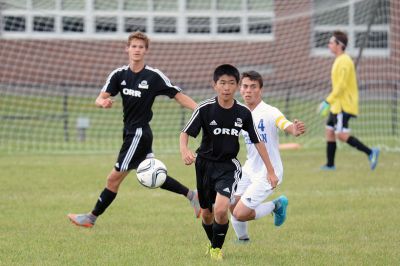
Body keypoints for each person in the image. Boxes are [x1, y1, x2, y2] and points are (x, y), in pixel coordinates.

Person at [67, 31, 200, 228]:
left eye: (140, 47)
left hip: (139, 133)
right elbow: (99, 97)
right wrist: (102, 102)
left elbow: (178, 95)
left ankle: (91, 218)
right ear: (127, 49)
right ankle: (192, 196)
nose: (137, 50)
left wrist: (201, 110)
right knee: (151, 173)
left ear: (146, 51)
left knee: (113, 179)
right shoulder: (119, 74)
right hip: (131, 133)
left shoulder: (154, 76)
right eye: (134, 46)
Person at [179, 64, 278, 261]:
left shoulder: (243, 113)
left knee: (222, 208)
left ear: (236, 86)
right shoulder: (204, 109)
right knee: (207, 214)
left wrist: (271, 170)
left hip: (228, 166)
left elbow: (258, 141)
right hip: (204, 165)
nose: (226, 87)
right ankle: (213, 243)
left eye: (231, 83)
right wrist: (184, 150)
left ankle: (217, 250)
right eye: (222, 83)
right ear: (215, 85)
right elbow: (185, 133)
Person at [230, 71, 306, 243]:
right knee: (231, 204)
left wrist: (293, 129)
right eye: (245, 86)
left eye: (253, 87)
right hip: (249, 168)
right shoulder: (239, 113)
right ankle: (243, 240)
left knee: (240, 213)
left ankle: (276, 205)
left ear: (260, 90)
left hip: (269, 171)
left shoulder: (270, 111)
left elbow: (284, 124)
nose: (248, 91)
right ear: (240, 89)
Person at [318, 30, 380, 171]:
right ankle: (330, 165)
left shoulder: (345, 61)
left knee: (341, 135)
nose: (329, 45)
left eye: (331, 42)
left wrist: (327, 101)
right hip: (336, 105)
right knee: (329, 131)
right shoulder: (339, 60)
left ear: (339, 45)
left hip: (344, 106)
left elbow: (341, 86)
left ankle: (371, 152)